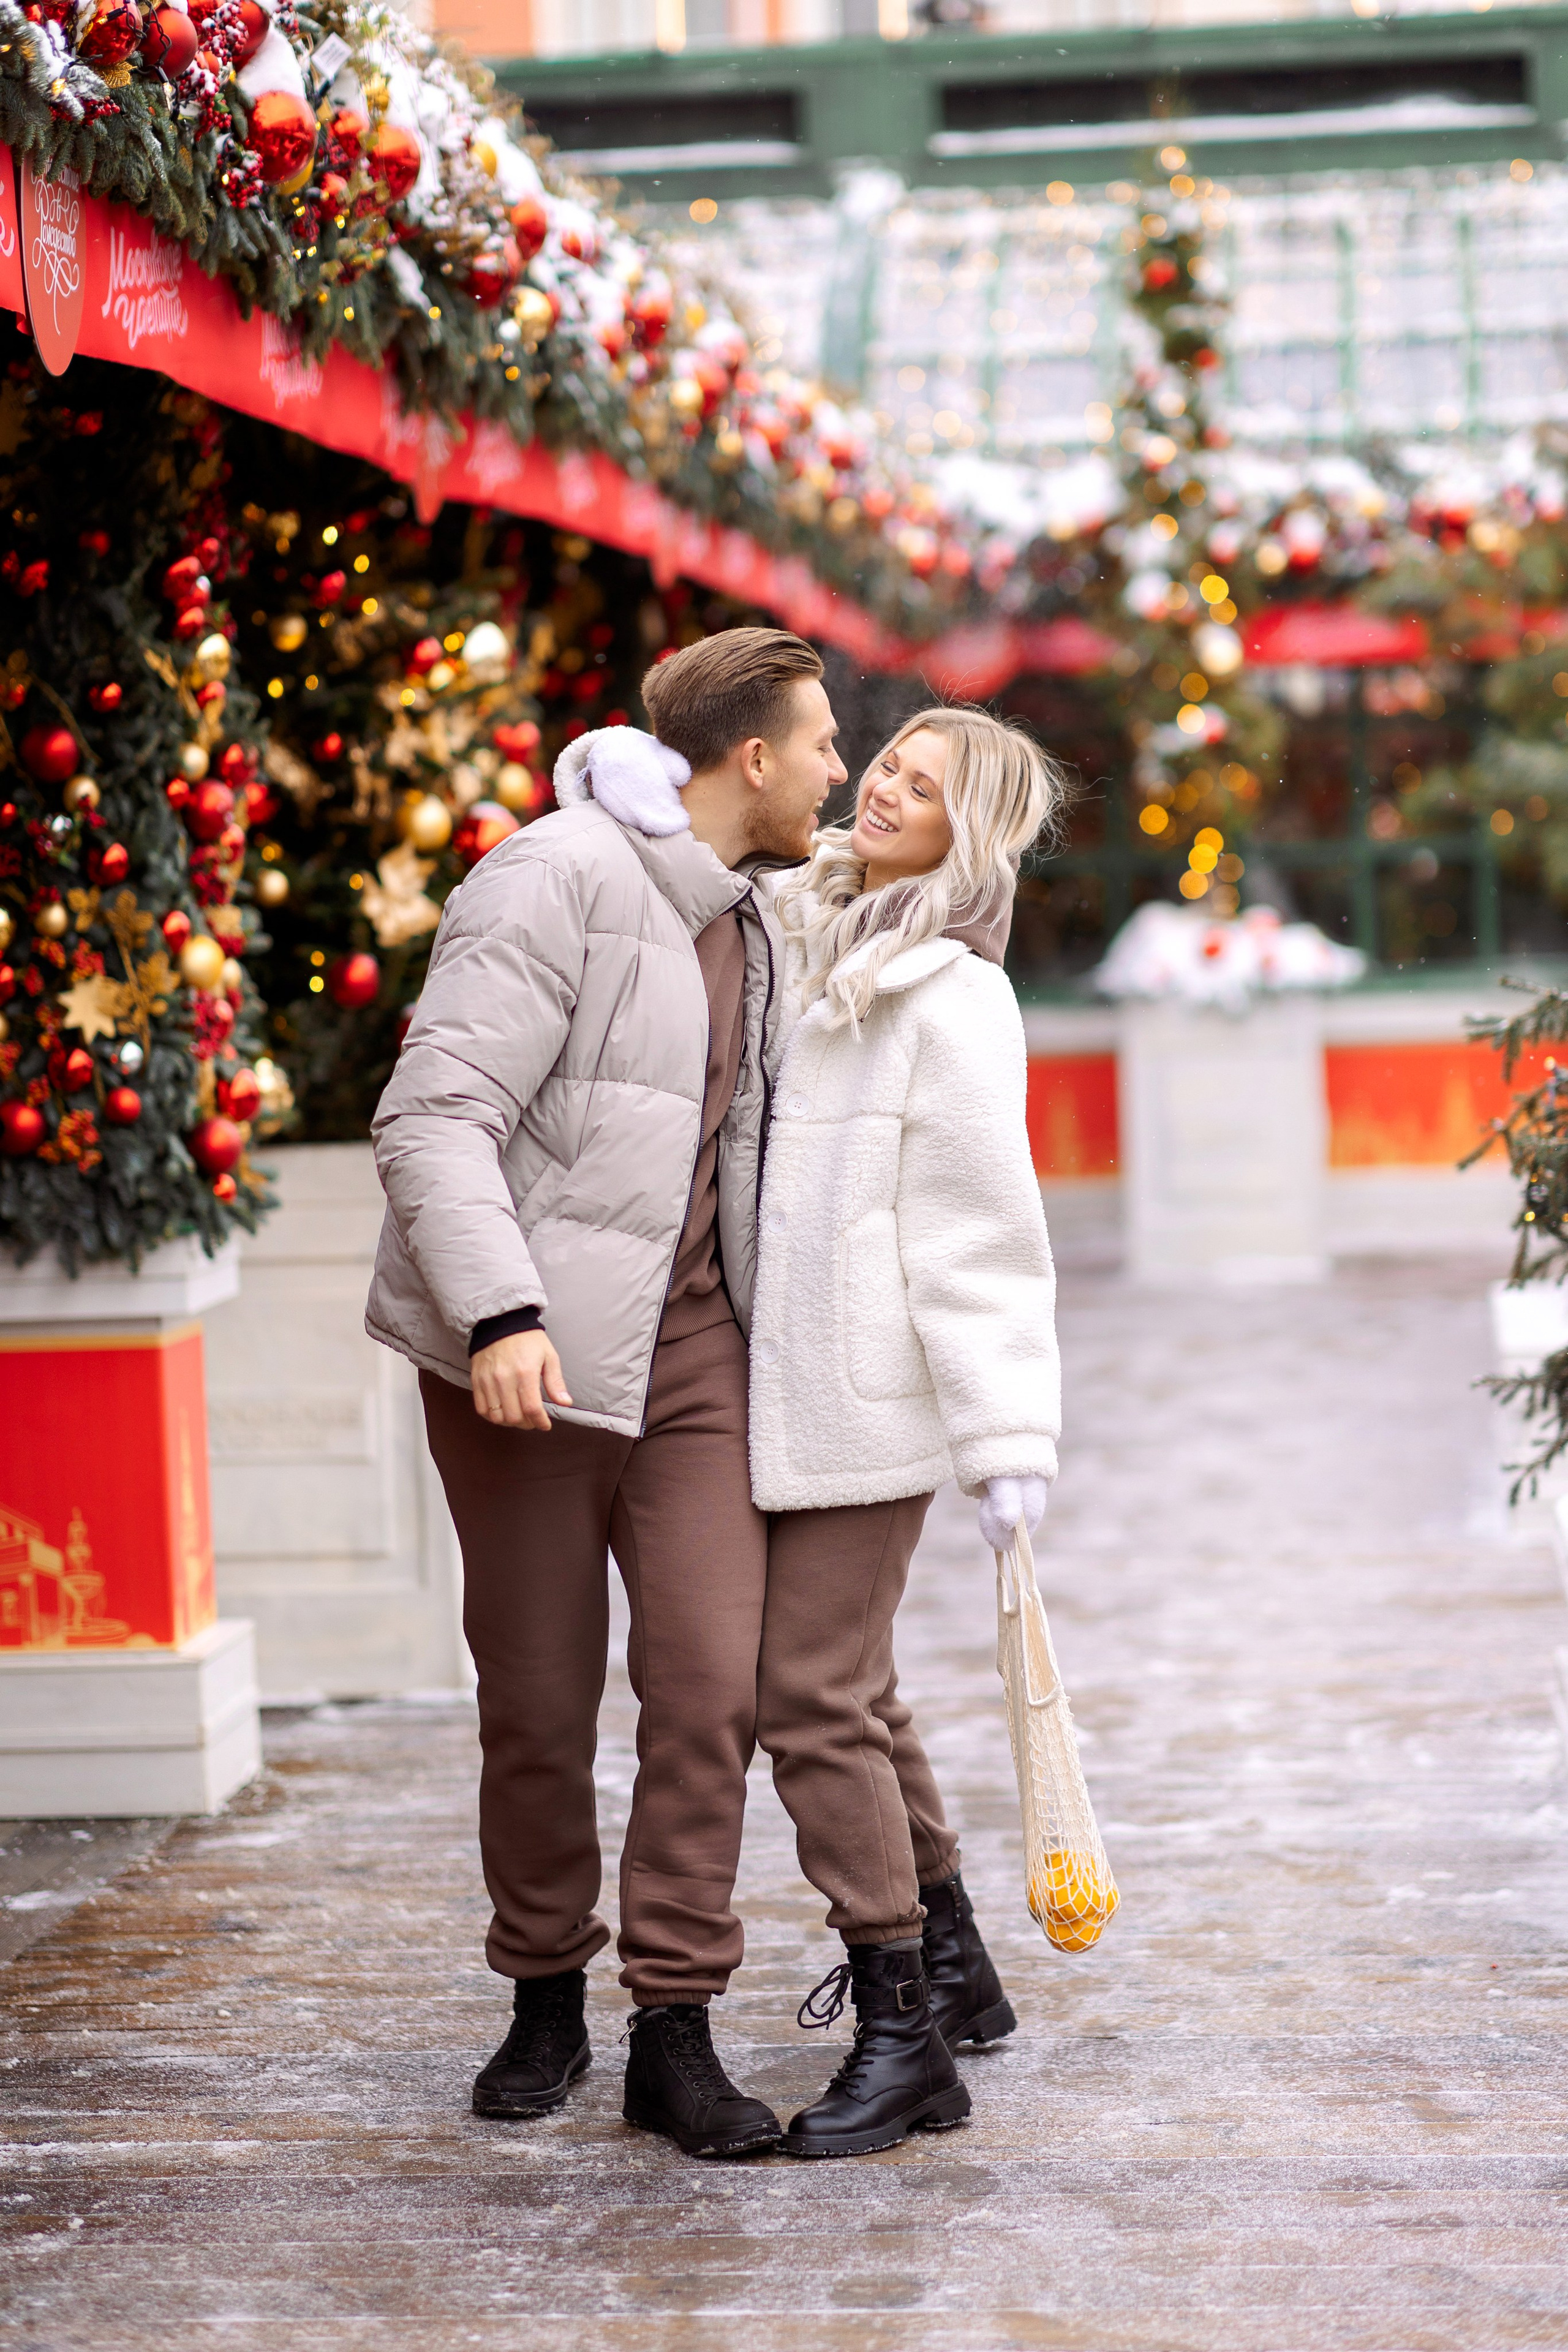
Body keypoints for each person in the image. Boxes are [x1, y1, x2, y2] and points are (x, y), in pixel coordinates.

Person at [365, 627, 846, 2158]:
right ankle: (541, 1993)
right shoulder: (550, 875)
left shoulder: (754, 915)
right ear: (749, 758)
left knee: (707, 1689)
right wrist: (499, 1311)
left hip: (697, 1353)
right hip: (532, 1363)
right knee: (538, 1700)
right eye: (823, 745)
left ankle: (672, 2029)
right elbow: (434, 1114)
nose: (839, 773)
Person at [747, 705, 1065, 2158]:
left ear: (966, 834)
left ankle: (901, 2030)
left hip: (864, 1388)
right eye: (887, 762)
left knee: (804, 1690)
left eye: (922, 788)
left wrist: (1005, 1436)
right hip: (776, 1372)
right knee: (855, 1686)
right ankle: (951, 1964)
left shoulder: (948, 994)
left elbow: (980, 1233)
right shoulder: (812, 926)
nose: (883, 787)